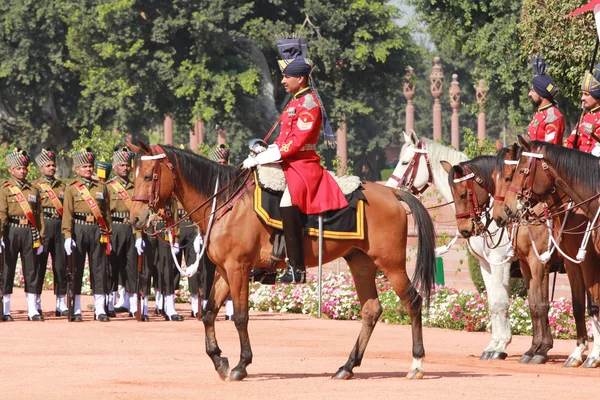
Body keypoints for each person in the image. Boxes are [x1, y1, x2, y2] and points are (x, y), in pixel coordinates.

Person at [243, 37, 348, 283]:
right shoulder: (295, 102)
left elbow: (296, 143)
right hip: (288, 161)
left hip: (304, 164)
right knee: (260, 188)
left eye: (285, 77)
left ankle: (297, 268)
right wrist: (263, 152)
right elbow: (282, 139)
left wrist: (268, 155)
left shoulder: (309, 103)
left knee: (288, 203)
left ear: (300, 78)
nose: (282, 80)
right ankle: (269, 259)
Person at [62, 148, 112, 322]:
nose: (88, 169)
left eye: (90, 166)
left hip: (97, 229)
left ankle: (100, 310)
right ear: (77, 169)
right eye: (84, 166)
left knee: (99, 269)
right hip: (78, 229)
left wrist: (109, 234)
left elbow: (106, 214)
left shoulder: (101, 187)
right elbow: (67, 214)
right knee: (76, 269)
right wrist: (67, 236)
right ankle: (76, 309)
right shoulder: (71, 188)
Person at [0, 149, 45, 321]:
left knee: (32, 270)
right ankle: (6, 310)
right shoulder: (5, 189)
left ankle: (32, 309)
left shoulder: (33, 189)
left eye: (25, 168)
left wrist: (41, 236)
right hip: (11, 230)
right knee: (8, 269)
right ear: (11, 170)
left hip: (29, 231)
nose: (23, 171)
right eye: (19, 168)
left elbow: (39, 214)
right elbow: (2, 213)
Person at [33, 149, 68, 317]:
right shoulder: (34, 186)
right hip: (44, 225)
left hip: (60, 226)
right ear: (41, 168)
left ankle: (61, 302)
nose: (52, 168)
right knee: (39, 265)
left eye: (53, 165)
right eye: (48, 165)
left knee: (61, 265)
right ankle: (36, 302)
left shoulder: (62, 186)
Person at [107, 147, 137, 318]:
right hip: (115, 227)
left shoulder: (136, 186)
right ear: (114, 166)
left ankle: (131, 303)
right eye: (121, 165)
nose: (125, 168)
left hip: (131, 227)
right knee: (113, 265)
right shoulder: (109, 187)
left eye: (127, 165)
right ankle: (110, 303)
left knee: (131, 265)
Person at [527, 56, 565, 145]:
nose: (529, 94)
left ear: (541, 94)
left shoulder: (553, 117)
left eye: (532, 91)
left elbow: (549, 151)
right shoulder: (540, 114)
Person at [565, 63, 600, 154]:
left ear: (597, 96)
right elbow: (570, 141)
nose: (582, 98)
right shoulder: (584, 117)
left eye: (586, 94)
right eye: (582, 94)